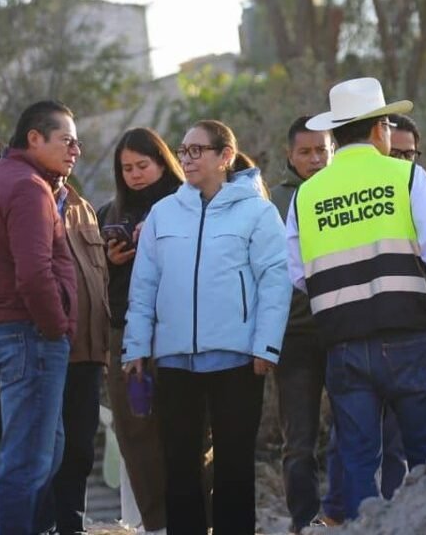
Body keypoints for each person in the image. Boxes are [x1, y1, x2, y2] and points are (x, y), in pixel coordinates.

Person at [289, 78, 426, 521]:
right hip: (409, 336)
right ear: (379, 129)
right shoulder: (406, 175)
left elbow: (294, 271)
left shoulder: (306, 194)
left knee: (358, 461)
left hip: (343, 345)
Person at [122, 120, 290, 535]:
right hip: (175, 358)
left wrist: (266, 347)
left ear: (225, 156)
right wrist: (135, 348)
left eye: (197, 150)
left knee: (234, 465)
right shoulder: (163, 213)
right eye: (183, 151)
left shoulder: (258, 212)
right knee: (179, 465)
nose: (187, 158)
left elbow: (275, 280)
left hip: (238, 357)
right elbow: (143, 286)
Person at [0, 100, 80, 535]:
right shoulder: (28, 187)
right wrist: (55, 325)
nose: (75, 150)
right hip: (30, 335)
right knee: (27, 457)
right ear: (34, 138)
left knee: (47, 447)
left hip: (8, 331)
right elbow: (33, 273)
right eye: (66, 140)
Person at [97, 128, 184, 534]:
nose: (134, 175)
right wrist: (110, 261)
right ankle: (157, 525)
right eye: (126, 168)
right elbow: (93, 284)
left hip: (181, 330)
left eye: (142, 166)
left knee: (187, 430)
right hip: (124, 331)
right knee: (135, 432)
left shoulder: (189, 203)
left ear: (164, 163)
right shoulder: (108, 213)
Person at [268, 116, 347, 532]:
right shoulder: (274, 202)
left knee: (351, 427)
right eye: (306, 152)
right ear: (289, 154)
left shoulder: (346, 192)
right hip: (293, 336)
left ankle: (342, 516)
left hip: (343, 329)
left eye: (323, 150)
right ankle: (303, 522)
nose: (315, 159)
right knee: (298, 442)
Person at [46, 175, 112, 535]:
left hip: (88, 352)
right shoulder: (26, 200)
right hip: (45, 349)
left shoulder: (83, 208)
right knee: (44, 448)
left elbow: (97, 281)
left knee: (80, 449)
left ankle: (71, 525)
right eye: (65, 142)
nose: (72, 152)